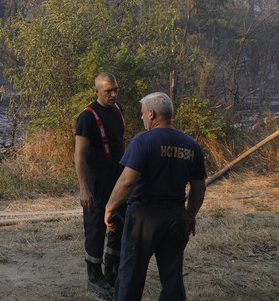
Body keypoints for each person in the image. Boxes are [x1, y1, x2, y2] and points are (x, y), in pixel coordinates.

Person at [104, 92, 207, 301]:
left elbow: (127, 182)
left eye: (142, 114)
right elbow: (199, 187)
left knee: (130, 276)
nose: (142, 118)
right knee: (172, 278)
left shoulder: (143, 140)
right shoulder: (191, 145)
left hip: (144, 217)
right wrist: (190, 215)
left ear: (151, 114)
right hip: (176, 216)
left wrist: (110, 207)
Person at [74, 72, 127, 299]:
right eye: (108, 91)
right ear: (97, 91)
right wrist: (84, 188)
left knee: (118, 222)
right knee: (96, 226)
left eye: (116, 89)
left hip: (118, 175)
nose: (114, 94)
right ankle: (94, 277)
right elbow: (79, 155)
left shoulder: (118, 110)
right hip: (97, 178)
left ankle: (112, 271)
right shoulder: (87, 116)